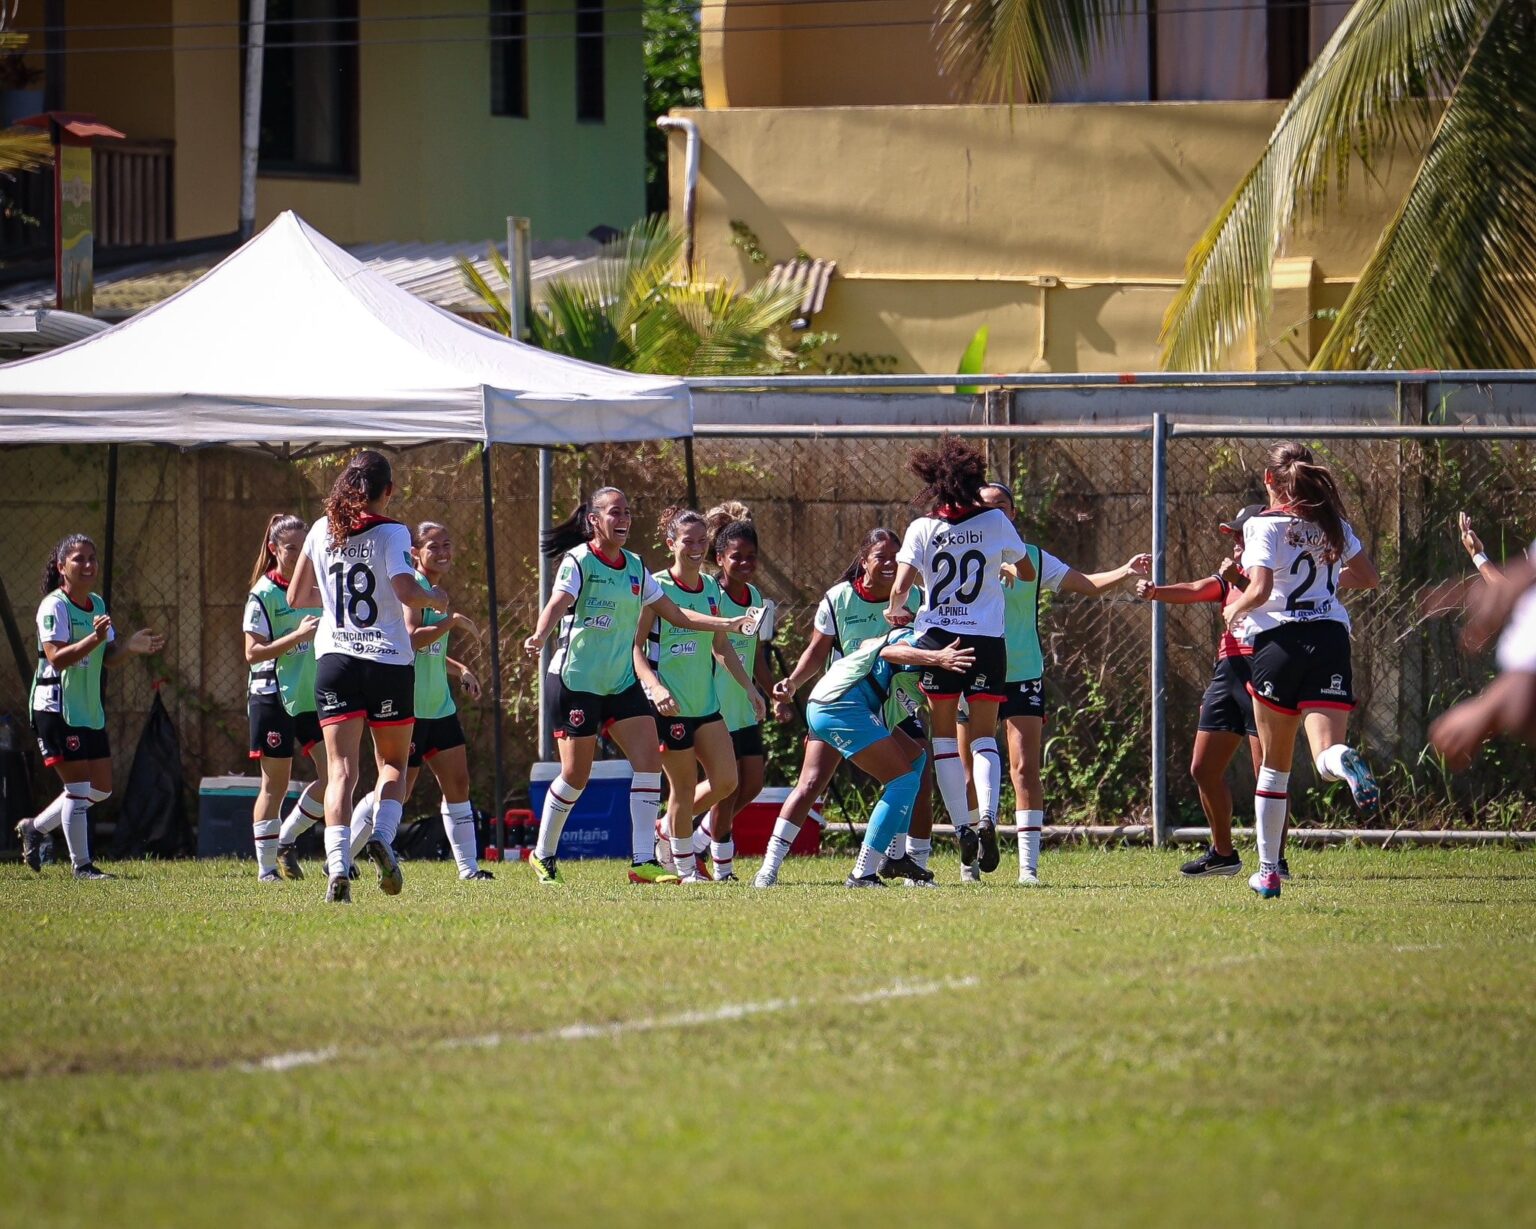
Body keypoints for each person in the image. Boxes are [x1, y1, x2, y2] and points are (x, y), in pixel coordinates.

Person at [522, 486, 750, 886]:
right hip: (578, 681)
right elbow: (558, 602)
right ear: (595, 520)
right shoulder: (579, 561)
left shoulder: (635, 566)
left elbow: (676, 614)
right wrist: (540, 635)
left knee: (648, 764)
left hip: (622, 684)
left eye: (627, 512)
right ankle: (542, 855)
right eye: (614, 512)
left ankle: (643, 860)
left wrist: (725, 624)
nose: (624, 519)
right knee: (576, 775)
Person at [957, 480, 1149, 885]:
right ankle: (969, 862)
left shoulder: (1034, 560)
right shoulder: (962, 553)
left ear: (1012, 515)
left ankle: (1028, 869)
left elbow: (1087, 583)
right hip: (971, 669)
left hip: (1023, 673)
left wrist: (1126, 570)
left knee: (1024, 768)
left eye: (1001, 506)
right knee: (969, 773)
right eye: (984, 506)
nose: (993, 513)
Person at [1219, 442, 1380, 900]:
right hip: (1330, 638)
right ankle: (1343, 764)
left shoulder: (1261, 525)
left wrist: (1237, 609)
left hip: (1280, 643)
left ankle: (1268, 872)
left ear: (1270, 480)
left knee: (1274, 769)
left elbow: (1262, 586)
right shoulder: (1334, 526)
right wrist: (1327, 583)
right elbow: (1369, 578)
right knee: (1325, 753)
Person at [286, 450, 448, 904]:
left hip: (335, 661)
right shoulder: (393, 531)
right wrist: (435, 597)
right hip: (387, 662)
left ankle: (338, 865)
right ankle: (382, 835)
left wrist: (338, 600)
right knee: (393, 765)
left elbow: (298, 595)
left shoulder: (321, 529)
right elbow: (403, 589)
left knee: (340, 771)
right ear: (388, 491)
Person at [884, 437, 1036, 880]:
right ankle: (988, 816)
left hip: (937, 640)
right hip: (986, 639)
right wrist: (1004, 566)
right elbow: (1025, 572)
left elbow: (900, 590)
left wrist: (898, 608)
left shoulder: (922, 528)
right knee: (985, 738)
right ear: (972, 482)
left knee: (946, 740)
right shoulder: (994, 521)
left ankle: (963, 826)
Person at [753, 528, 928, 889]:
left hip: (880, 702)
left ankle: (897, 857)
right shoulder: (839, 598)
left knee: (916, 762)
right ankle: (770, 869)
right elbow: (818, 651)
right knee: (813, 783)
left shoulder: (917, 598)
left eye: (898, 556)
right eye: (882, 556)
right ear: (863, 561)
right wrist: (793, 683)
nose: (892, 563)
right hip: (844, 700)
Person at [1136, 503, 1292, 879]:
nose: (1237, 543)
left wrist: (1240, 581)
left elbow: (1269, 601)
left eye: (1242, 535)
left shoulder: (1279, 575)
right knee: (1203, 768)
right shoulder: (1228, 577)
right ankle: (1223, 854)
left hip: (1265, 669)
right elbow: (1194, 589)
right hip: (1229, 673)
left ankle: (1276, 861)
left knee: (1267, 774)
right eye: (1235, 537)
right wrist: (1156, 591)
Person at [347, 522, 493, 881]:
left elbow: (430, 652)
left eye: (447, 544)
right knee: (397, 788)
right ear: (415, 553)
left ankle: (468, 869)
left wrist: (459, 670)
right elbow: (411, 639)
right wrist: (452, 623)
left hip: (439, 707)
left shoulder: (433, 589)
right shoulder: (414, 589)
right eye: (433, 547)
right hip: (410, 710)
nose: (443, 552)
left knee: (458, 783)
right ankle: (342, 856)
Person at [14, 534, 165, 879]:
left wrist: (128, 647)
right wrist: (94, 638)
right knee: (79, 790)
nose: (88, 565)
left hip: (87, 709)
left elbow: (108, 658)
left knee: (100, 789)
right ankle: (82, 866)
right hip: (56, 708)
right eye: (78, 559)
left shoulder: (96, 604)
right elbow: (56, 657)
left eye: (92, 558)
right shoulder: (54, 606)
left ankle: (35, 827)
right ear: (61, 567)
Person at [633, 506, 765, 885]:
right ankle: (686, 868)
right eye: (687, 541)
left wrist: (749, 688)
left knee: (727, 781)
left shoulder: (710, 588)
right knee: (683, 787)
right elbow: (634, 647)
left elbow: (720, 645)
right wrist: (654, 687)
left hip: (706, 705)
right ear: (670, 543)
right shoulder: (656, 586)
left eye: (701, 540)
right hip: (670, 707)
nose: (695, 547)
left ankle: (665, 830)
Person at [802, 628, 976, 887]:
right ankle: (862, 873)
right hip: (840, 705)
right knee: (903, 782)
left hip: (840, 704)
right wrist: (937, 658)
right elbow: (888, 649)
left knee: (916, 758)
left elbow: (869, 641)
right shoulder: (926, 639)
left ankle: (895, 857)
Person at [681, 502, 784, 881]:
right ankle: (719, 868)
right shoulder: (711, 595)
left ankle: (693, 842)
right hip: (715, 704)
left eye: (751, 557)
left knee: (752, 784)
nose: (745, 563)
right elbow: (717, 648)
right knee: (727, 787)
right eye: (736, 556)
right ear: (720, 558)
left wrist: (771, 690)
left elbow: (753, 653)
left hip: (743, 703)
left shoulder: (756, 599)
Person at [241, 513, 329, 883]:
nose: (298, 554)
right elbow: (252, 652)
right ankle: (265, 869)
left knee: (336, 777)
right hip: (272, 696)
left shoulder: (318, 586)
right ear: (274, 549)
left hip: (313, 695)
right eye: (291, 548)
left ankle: (287, 837)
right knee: (274, 785)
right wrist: (297, 636)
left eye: (303, 547)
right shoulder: (263, 593)